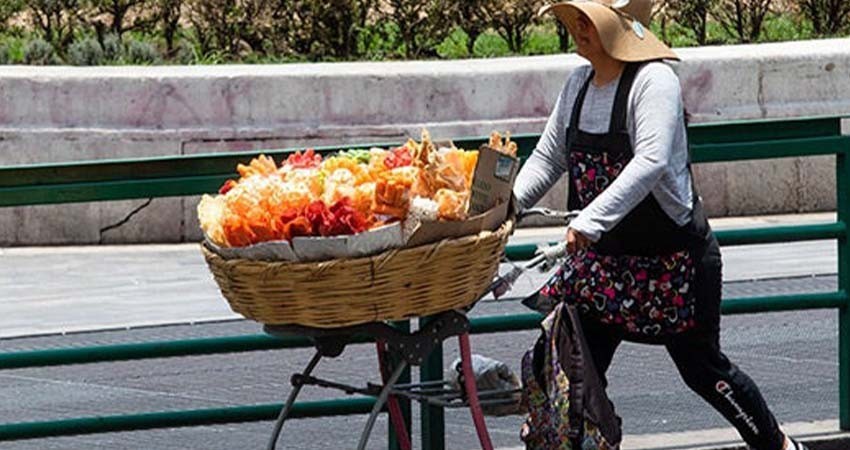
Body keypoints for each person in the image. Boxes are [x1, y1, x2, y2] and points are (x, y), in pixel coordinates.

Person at [515, 1, 807, 449]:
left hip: (673, 266)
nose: (578, 26)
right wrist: (507, 207)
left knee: (703, 371)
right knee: (563, 371)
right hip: (603, 268)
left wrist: (590, 220)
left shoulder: (654, 81)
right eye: (576, 17)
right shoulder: (577, 85)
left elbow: (649, 161)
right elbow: (547, 157)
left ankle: (779, 445)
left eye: (590, 18)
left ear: (619, 28)